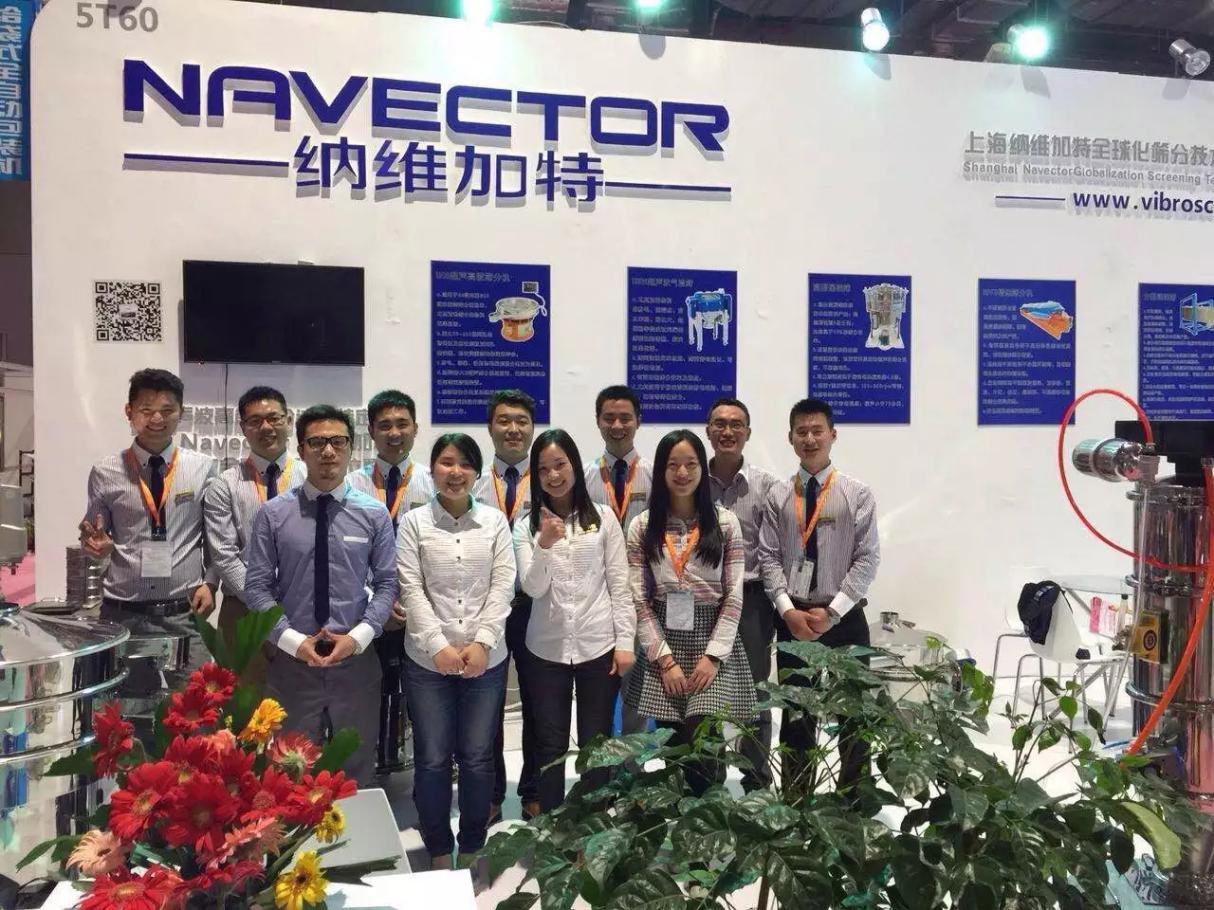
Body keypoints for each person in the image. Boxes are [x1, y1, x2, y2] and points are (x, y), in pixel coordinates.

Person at [244, 405, 397, 785]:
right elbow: (257, 588)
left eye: (337, 442)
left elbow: (387, 584)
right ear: (301, 450)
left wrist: (357, 638)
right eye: (317, 442)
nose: (328, 451)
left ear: (351, 448)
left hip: (355, 663)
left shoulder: (374, 514)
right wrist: (293, 642)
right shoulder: (273, 514)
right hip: (293, 665)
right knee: (289, 772)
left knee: (356, 770)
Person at [399, 433, 516, 871]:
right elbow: (411, 588)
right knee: (432, 759)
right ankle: (436, 848)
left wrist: (482, 643)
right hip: (427, 662)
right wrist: (438, 646)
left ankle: (471, 845)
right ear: (432, 469)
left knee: (477, 756)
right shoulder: (414, 522)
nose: (456, 472)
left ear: (477, 473)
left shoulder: (494, 522)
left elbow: (503, 585)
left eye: (465, 464)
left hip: (486, 661)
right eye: (447, 462)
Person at [79, 368, 218, 735]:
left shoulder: (202, 468)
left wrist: (211, 582)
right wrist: (96, 548)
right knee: (130, 717)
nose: (157, 418)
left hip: (183, 613)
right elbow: (94, 536)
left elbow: (215, 537)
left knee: (200, 714)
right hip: (125, 614)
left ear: (181, 412)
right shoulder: (105, 471)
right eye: (146, 409)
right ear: (129, 412)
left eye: (167, 410)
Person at [757, 398, 880, 801]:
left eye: (817, 431)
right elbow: (768, 557)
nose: (809, 439)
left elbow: (867, 558)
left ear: (833, 435)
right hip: (794, 621)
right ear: (790, 438)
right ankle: (796, 801)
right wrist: (788, 612)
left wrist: (832, 612)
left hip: (844, 619)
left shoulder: (856, 493)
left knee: (853, 716)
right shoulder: (778, 495)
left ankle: (853, 804)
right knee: (797, 717)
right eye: (801, 432)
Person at [624, 430, 752, 797]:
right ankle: (680, 816)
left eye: (691, 464)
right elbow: (639, 599)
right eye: (673, 465)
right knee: (674, 740)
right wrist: (665, 661)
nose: (682, 473)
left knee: (704, 733)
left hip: (712, 638)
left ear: (702, 469)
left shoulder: (725, 523)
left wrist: (713, 656)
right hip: (663, 640)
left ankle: (708, 813)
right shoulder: (642, 526)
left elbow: (733, 595)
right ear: (661, 471)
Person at [513, 429, 634, 812]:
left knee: (595, 742)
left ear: (575, 466)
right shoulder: (526, 525)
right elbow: (532, 588)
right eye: (543, 469)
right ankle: (553, 824)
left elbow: (620, 585)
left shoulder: (604, 518)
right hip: (545, 650)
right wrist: (544, 544)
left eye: (560, 465)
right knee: (549, 744)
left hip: (598, 645)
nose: (553, 475)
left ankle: (592, 822)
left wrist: (625, 642)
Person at [347, 389, 434, 774]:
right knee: (368, 694)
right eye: (384, 426)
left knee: (422, 695)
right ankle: (370, 768)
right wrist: (377, 602)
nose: (394, 433)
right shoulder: (350, 486)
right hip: (365, 611)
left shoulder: (433, 483)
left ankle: (425, 768)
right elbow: (345, 554)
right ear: (371, 431)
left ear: (415, 428)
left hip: (422, 610)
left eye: (402, 424)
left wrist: (412, 601)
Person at [203, 386, 305, 689]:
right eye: (255, 421)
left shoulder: (309, 478)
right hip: (242, 613)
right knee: (244, 708)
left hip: (302, 611)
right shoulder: (225, 484)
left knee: (301, 705)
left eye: (274, 418)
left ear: (289, 421)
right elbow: (223, 555)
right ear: (243, 428)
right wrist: (263, 602)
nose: (266, 427)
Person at [705, 397, 780, 792]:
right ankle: (709, 780)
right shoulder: (691, 479)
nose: (727, 431)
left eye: (736, 424)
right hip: (703, 600)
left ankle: (757, 782)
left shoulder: (766, 486)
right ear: (708, 431)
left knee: (754, 691)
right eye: (719, 423)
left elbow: (773, 550)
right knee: (704, 690)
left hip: (752, 600)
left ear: (748, 433)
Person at [472, 390, 540, 822]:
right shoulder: (473, 484)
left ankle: (533, 789)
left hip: (537, 607)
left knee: (538, 702)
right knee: (487, 706)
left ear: (532, 428)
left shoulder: (550, 481)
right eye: (504, 421)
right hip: (486, 609)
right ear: (490, 428)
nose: (513, 429)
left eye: (521, 421)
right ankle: (491, 793)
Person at [583, 385, 653, 738]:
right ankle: (600, 767)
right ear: (597, 421)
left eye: (625, 417)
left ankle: (633, 768)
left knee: (637, 693)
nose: (617, 425)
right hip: (595, 600)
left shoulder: (657, 475)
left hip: (643, 598)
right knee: (596, 694)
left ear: (638, 421)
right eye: (609, 418)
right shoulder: (582, 479)